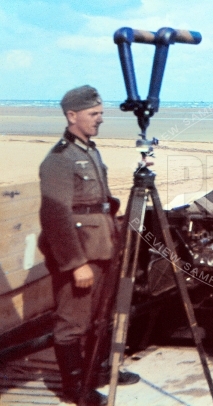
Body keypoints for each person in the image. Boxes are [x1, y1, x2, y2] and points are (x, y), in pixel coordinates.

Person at [38, 85, 139, 405]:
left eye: (100, 113)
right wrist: (74, 263)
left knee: (99, 316)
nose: (100, 119)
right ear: (72, 116)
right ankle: (75, 389)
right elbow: (55, 215)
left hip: (102, 247)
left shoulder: (88, 150)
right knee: (73, 321)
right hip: (81, 254)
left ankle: (96, 373)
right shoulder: (60, 159)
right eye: (93, 114)